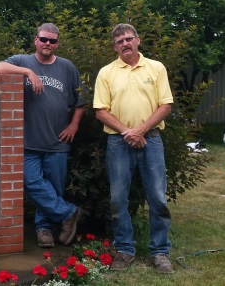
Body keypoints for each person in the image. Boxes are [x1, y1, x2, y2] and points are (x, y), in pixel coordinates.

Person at [0, 23, 85, 248]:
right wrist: (29, 72)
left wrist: (74, 125)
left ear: (57, 44)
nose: (47, 44)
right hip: (28, 141)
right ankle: (68, 213)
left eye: (52, 41)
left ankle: (45, 230)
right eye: (44, 39)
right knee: (31, 181)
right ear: (35, 40)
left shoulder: (67, 67)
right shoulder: (22, 61)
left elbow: (81, 102)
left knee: (53, 188)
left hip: (58, 141)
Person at [93, 23, 174, 274]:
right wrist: (128, 132)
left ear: (138, 40)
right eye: (119, 41)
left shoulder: (156, 68)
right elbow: (100, 111)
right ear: (114, 46)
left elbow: (165, 106)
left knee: (158, 198)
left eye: (129, 38)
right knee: (118, 199)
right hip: (118, 142)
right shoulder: (106, 72)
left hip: (152, 140)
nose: (125, 43)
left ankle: (160, 252)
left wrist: (140, 130)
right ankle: (124, 250)